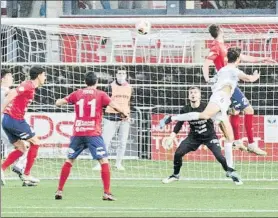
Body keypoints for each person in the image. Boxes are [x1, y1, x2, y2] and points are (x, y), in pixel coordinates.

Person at [161, 47, 260, 169]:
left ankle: (230, 169)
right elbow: (249, 79)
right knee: (204, 115)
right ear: (238, 59)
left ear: (226, 58)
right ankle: (171, 117)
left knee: (230, 138)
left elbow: (213, 81)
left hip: (223, 102)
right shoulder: (233, 70)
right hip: (220, 99)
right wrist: (256, 75)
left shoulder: (222, 70)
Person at [54, 71, 129, 201]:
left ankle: (59, 190)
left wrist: (59, 101)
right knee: (103, 161)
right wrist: (124, 113)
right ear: (97, 82)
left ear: (85, 82)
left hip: (78, 133)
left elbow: (59, 103)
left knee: (69, 160)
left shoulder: (77, 93)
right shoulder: (101, 94)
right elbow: (114, 105)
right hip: (93, 133)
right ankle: (107, 192)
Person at [203, 24, 275, 155]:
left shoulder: (226, 48)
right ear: (220, 31)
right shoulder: (216, 47)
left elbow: (246, 57)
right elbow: (207, 63)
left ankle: (236, 141)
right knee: (249, 110)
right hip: (227, 83)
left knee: (235, 112)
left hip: (228, 85)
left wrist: (263, 58)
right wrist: (207, 79)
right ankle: (252, 144)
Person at [161, 87, 242, 185]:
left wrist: (230, 113)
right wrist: (171, 137)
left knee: (220, 157)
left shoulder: (207, 107)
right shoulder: (185, 109)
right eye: (191, 92)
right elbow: (179, 124)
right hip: (194, 137)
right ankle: (175, 175)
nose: (193, 94)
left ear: (199, 96)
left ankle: (231, 173)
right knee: (178, 153)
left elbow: (220, 118)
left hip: (209, 136)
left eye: (195, 92)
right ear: (188, 96)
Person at [1, 66, 46, 186]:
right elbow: (12, 95)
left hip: (8, 120)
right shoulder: (29, 85)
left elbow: (12, 92)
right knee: (35, 142)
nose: (45, 77)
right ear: (39, 75)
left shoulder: (29, 86)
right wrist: (1, 110)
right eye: (44, 75)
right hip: (14, 119)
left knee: (21, 148)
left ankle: (2, 168)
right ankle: (27, 174)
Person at [93, 66, 132, 171]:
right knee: (105, 141)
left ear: (126, 75)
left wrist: (128, 114)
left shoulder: (130, 87)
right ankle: (100, 163)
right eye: (119, 73)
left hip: (124, 118)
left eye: (123, 73)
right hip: (110, 117)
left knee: (123, 142)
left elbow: (130, 102)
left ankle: (118, 163)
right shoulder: (110, 86)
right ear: (116, 75)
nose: (121, 75)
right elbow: (105, 102)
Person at [0, 69, 28, 184]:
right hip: (4, 124)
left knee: (15, 148)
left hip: (5, 123)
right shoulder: (6, 91)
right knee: (25, 146)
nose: (12, 78)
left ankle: (20, 171)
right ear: (2, 78)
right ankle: (20, 169)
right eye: (9, 76)